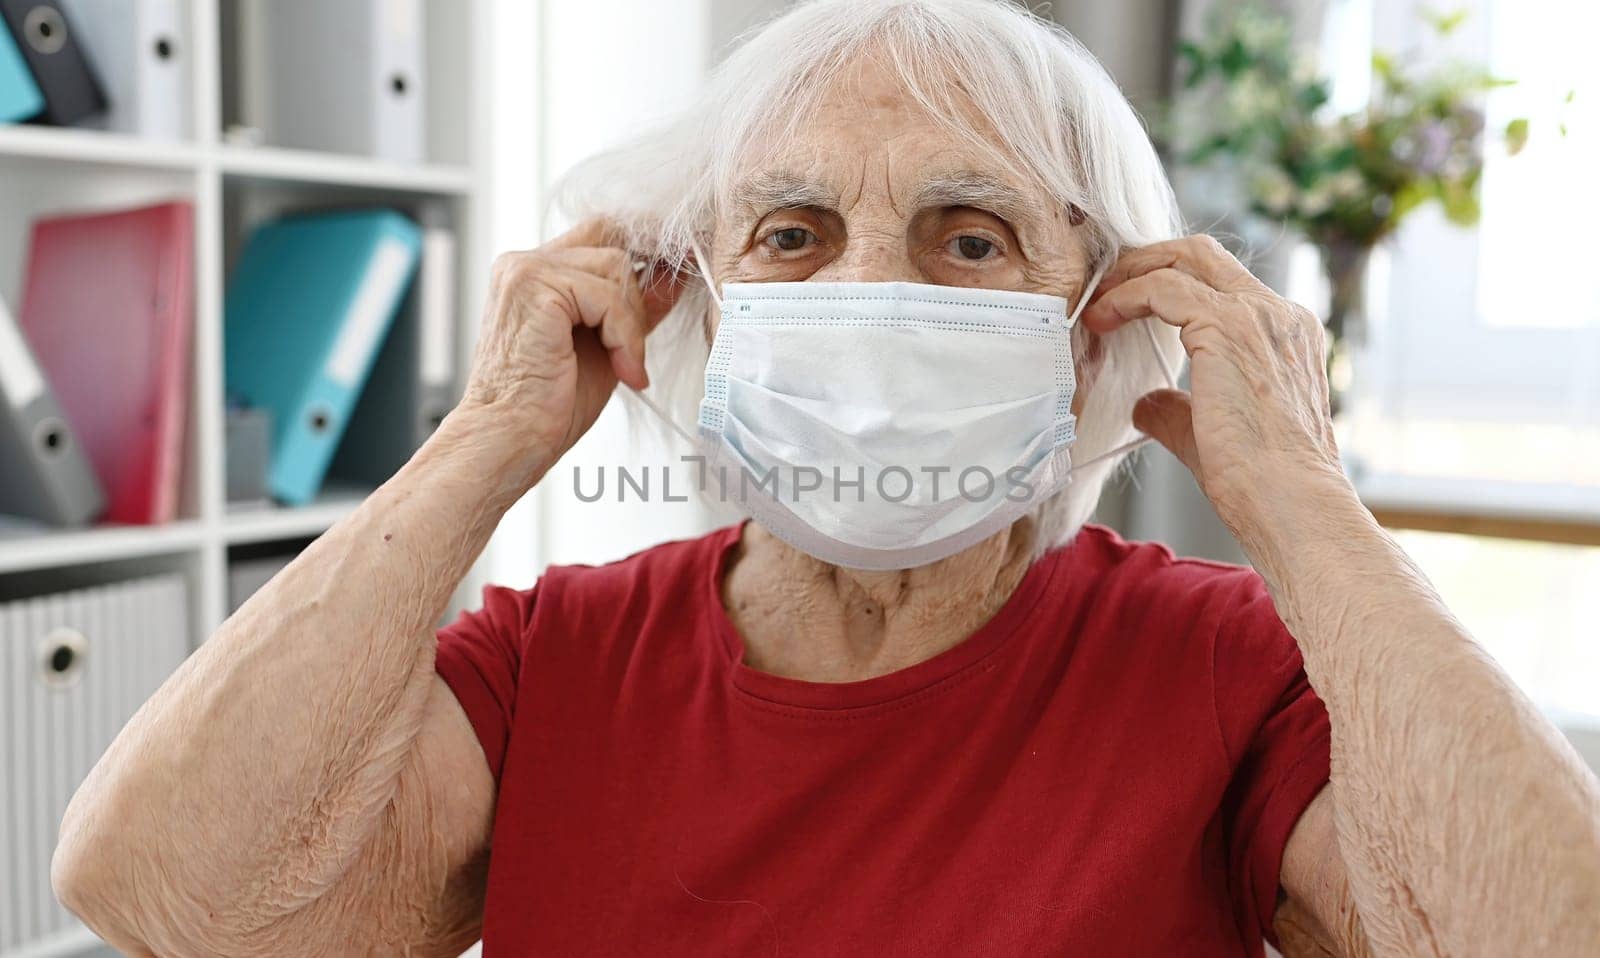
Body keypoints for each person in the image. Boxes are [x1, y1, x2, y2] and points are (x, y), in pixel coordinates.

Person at [51, 1, 1600, 955]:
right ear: (696, 307)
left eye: (969, 235)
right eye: (790, 233)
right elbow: (161, 891)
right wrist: (485, 443)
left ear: (1095, 325)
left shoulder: (1215, 664)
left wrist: (1307, 509)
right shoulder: (556, 656)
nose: (874, 290)